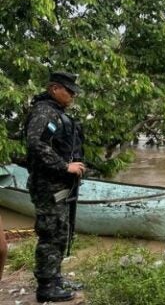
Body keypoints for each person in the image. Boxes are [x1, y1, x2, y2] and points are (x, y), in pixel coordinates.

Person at [25, 71, 87, 302]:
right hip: (48, 185)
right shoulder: (44, 112)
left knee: (61, 233)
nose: (72, 95)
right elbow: (35, 145)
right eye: (68, 91)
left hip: (61, 185)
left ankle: (55, 278)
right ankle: (46, 287)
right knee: (51, 234)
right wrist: (64, 166)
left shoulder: (56, 113)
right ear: (54, 89)